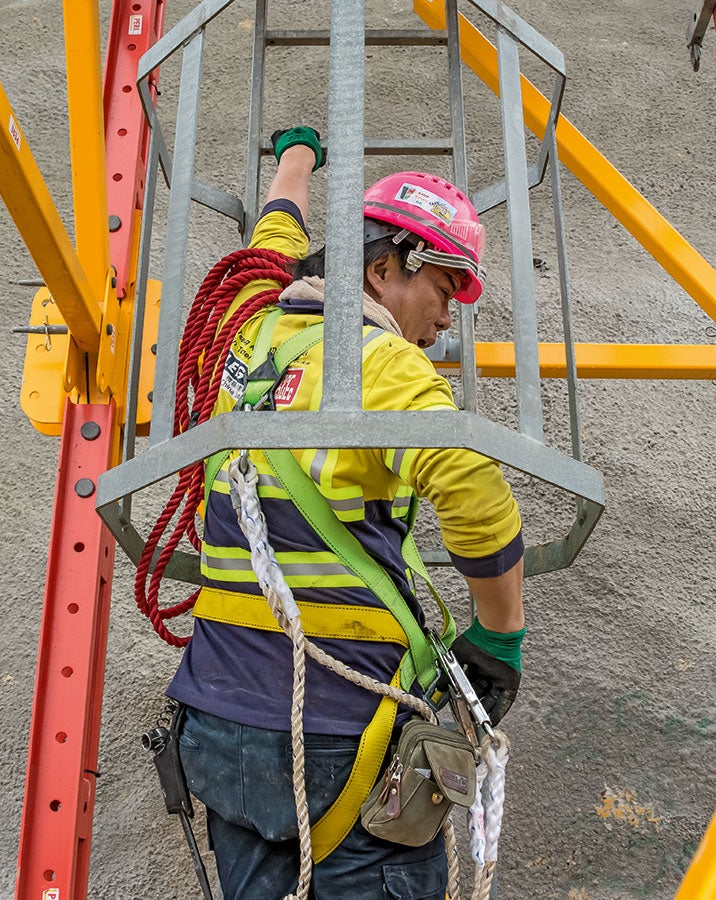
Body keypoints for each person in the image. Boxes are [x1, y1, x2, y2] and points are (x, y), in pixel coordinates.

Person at [167, 126, 526, 899]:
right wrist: (500, 639)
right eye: (444, 289)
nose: (446, 319)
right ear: (382, 269)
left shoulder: (247, 330)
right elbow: (472, 483)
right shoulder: (381, 362)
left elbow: (275, 235)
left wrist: (296, 157)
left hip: (217, 724)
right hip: (335, 734)